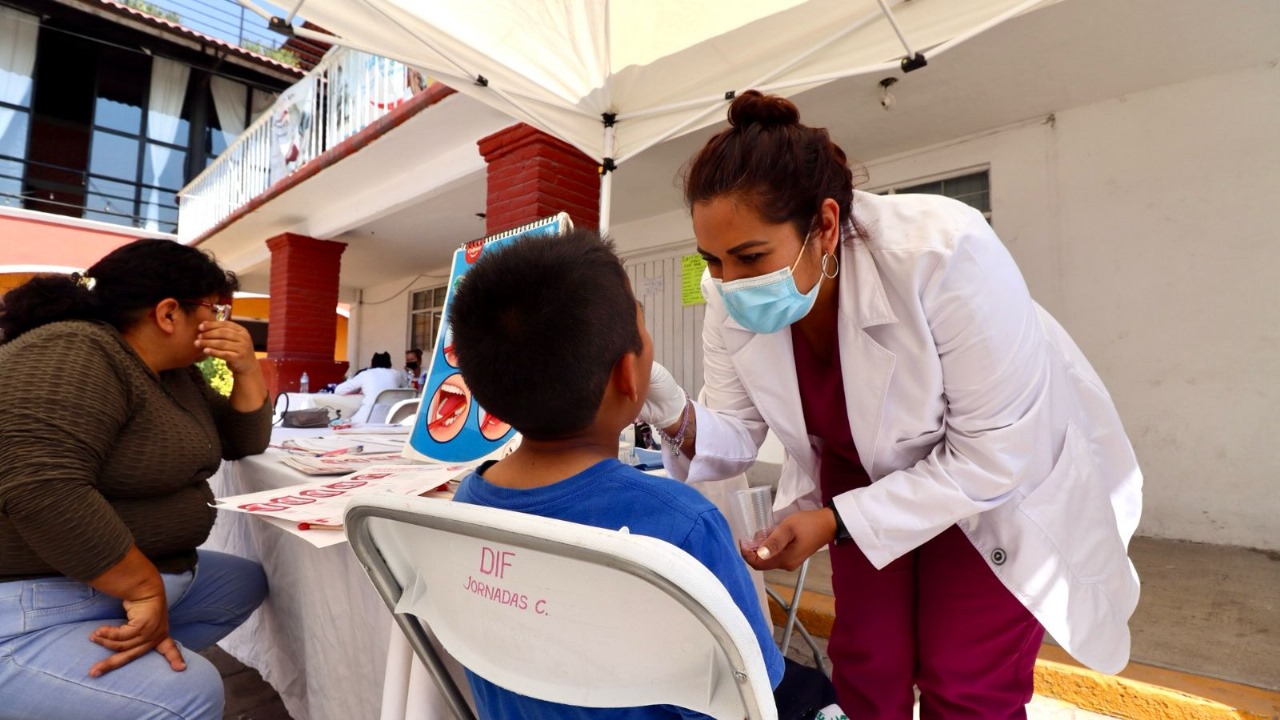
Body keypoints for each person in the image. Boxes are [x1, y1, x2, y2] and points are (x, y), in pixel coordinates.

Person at [637, 90, 1143, 719]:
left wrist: (833, 522)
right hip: (856, 481)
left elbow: (992, 456)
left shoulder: (942, 255)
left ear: (823, 225)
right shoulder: (728, 300)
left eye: (749, 257)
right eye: (712, 261)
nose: (729, 284)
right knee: (866, 663)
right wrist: (670, 409)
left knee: (965, 681)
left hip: (990, 488)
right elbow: (737, 434)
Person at [447, 228, 838, 720]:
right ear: (630, 375)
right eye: (643, 324)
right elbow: (753, 688)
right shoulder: (684, 525)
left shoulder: (467, 503)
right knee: (815, 692)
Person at [0, 238, 272, 720]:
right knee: (190, 693)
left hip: (116, 581)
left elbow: (240, 441)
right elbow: (38, 485)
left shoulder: (173, 375)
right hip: (33, 594)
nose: (221, 321)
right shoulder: (73, 349)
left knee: (243, 582)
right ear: (169, 313)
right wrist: (143, 589)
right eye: (215, 308)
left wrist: (247, 371)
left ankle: (104, 673)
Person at [334, 350, 408, 424]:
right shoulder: (397, 374)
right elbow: (407, 390)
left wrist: (358, 390)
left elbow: (338, 390)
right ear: (390, 364)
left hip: (367, 419)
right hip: (392, 419)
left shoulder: (365, 374)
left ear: (372, 364)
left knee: (341, 421)